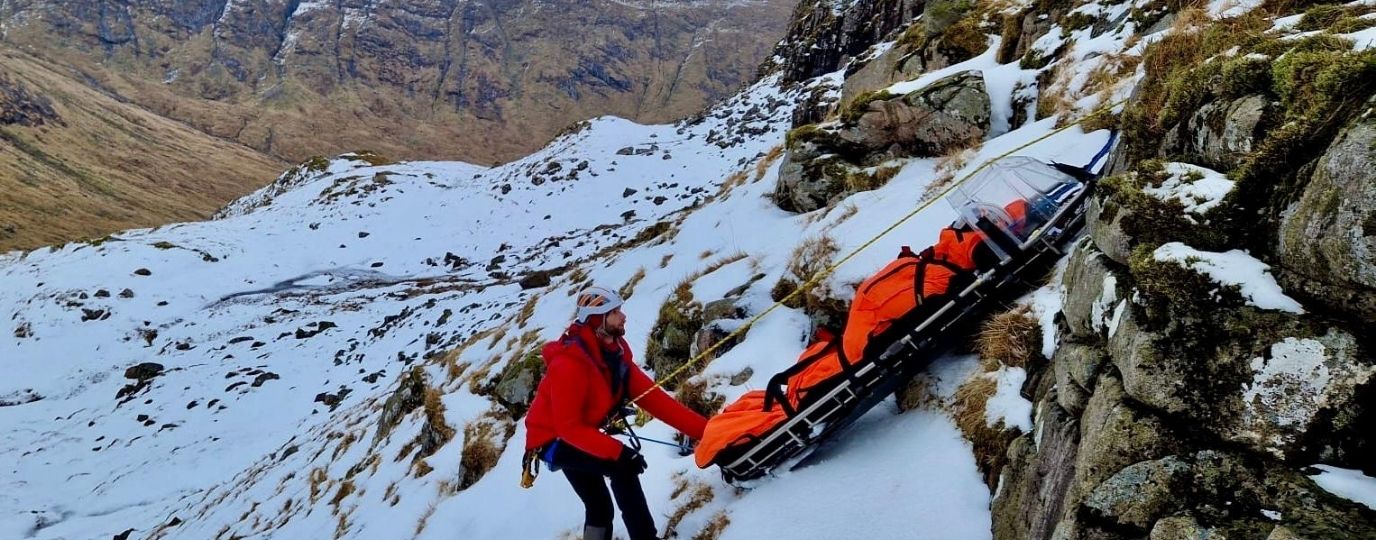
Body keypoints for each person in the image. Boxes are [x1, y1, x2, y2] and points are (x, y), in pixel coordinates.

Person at [523, 286, 707, 540]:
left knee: (599, 506)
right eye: (615, 312)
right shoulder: (569, 364)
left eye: (620, 310)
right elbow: (569, 428)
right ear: (598, 320)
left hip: (575, 434)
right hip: (553, 440)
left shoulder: (615, 357)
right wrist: (619, 453)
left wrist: (708, 431)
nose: (623, 316)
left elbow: (659, 402)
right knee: (622, 469)